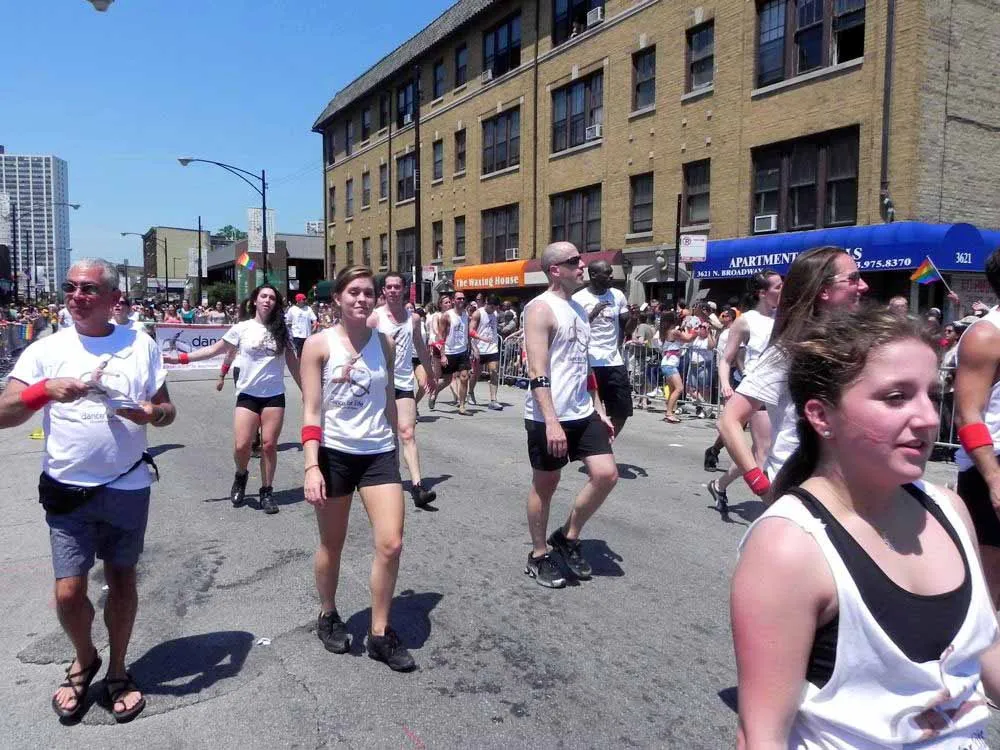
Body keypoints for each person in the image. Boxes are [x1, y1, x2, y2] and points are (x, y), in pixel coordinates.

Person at [732, 306, 1000, 747]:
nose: (929, 418)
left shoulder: (950, 509)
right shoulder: (790, 545)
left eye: (932, 395)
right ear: (821, 416)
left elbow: (985, 654)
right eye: (896, 397)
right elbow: (760, 736)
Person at [0, 258, 176, 723]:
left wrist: (151, 414)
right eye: (71, 287)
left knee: (122, 582)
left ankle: (118, 668)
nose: (76, 296)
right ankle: (85, 658)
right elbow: (4, 412)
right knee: (68, 592)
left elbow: (166, 410)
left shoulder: (140, 345)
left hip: (127, 486)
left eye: (88, 289)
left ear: (114, 298)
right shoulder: (45, 350)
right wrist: (43, 390)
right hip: (67, 490)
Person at [301, 266, 414, 671]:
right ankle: (328, 612)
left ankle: (379, 633)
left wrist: (399, 442)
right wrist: (311, 466)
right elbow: (311, 410)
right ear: (337, 297)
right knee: (332, 544)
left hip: (378, 453)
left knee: (391, 544)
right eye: (353, 292)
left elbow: (388, 397)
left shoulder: (385, 343)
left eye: (368, 292)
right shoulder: (318, 345)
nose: (362, 299)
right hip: (334, 455)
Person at [717, 247, 868, 506]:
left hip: (846, 487)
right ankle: (721, 485)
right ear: (824, 290)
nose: (863, 286)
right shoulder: (787, 351)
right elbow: (729, 420)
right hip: (800, 490)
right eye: (852, 279)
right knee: (761, 448)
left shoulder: (855, 344)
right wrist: (761, 486)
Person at [523, 242, 618, 588]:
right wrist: (551, 421)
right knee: (546, 484)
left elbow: (584, 366)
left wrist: (599, 409)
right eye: (575, 261)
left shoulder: (578, 308)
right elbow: (537, 370)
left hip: (582, 410)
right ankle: (538, 555)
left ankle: (567, 536)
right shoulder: (539, 309)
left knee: (606, 474)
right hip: (548, 415)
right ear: (554, 270)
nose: (582, 266)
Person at [163, 284, 300, 515]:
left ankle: (267, 491)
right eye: (263, 296)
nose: (267, 300)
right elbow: (213, 350)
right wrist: (180, 359)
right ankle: (241, 475)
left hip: (274, 395)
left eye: (272, 298)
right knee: (242, 445)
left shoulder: (282, 331)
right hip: (248, 394)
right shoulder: (242, 328)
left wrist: (307, 391)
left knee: (268, 445)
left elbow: (294, 364)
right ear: (255, 301)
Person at [706, 271, 782, 510]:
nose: (784, 290)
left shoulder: (785, 316)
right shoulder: (746, 320)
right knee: (762, 453)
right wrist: (726, 384)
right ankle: (775, 511)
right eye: (778, 287)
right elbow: (726, 358)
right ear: (762, 292)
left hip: (783, 392)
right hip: (757, 391)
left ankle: (719, 484)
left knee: (753, 453)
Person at [953, 247, 1000, 607]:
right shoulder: (986, 335)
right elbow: (967, 415)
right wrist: (994, 479)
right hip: (991, 466)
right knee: (988, 591)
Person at [372, 272, 439, 508]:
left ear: (403, 290)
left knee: (407, 433)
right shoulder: (375, 317)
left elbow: (419, 346)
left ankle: (418, 487)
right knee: (388, 434)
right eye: (389, 287)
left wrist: (430, 374)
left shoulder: (414, 319)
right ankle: (389, 478)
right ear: (383, 291)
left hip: (403, 382)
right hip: (380, 384)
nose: (393, 290)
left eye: (397, 286)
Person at [572, 260, 635, 437]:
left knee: (622, 411)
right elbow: (574, 330)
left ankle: (605, 443)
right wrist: (593, 314)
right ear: (593, 275)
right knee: (589, 411)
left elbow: (628, 328)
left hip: (613, 360)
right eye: (607, 273)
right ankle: (593, 445)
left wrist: (635, 318)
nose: (611, 276)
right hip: (590, 362)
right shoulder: (578, 298)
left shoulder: (617, 295)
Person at [430, 292, 472, 415]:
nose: (461, 300)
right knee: (447, 380)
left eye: (463, 298)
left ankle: (462, 406)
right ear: (454, 300)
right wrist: (442, 355)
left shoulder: (465, 314)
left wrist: (471, 348)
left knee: (464, 377)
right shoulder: (447, 316)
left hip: (462, 351)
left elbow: (467, 332)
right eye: (459, 298)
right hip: (449, 351)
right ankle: (434, 393)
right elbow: (441, 336)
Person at [654, 312, 693, 423]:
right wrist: (695, 330)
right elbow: (688, 339)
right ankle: (669, 413)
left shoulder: (665, 331)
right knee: (679, 388)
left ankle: (670, 411)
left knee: (672, 390)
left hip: (668, 363)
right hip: (670, 364)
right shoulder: (673, 332)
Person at [469, 294, 503, 410]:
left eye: (495, 307)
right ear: (487, 303)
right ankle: (470, 392)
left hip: (492, 347)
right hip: (479, 347)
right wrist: (479, 341)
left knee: (494, 371)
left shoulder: (495, 314)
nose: (493, 309)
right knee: (476, 374)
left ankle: (493, 400)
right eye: (491, 307)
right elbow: (471, 331)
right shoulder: (478, 313)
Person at [286, 293, 318, 357]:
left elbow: (314, 319)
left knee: (307, 353)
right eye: (303, 299)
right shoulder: (292, 309)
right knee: (298, 354)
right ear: (298, 300)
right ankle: (298, 363)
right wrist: (290, 333)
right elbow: (288, 322)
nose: (305, 300)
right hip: (296, 335)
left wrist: (315, 327)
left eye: (305, 299)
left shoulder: (308, 308)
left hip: (307, 335)